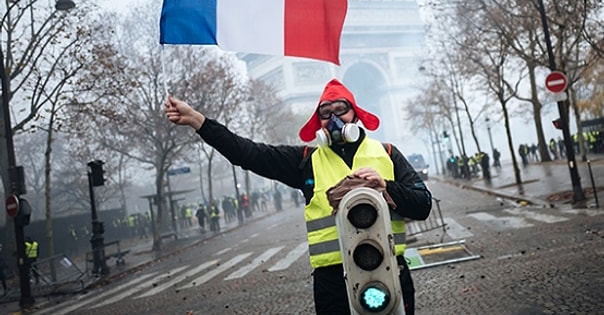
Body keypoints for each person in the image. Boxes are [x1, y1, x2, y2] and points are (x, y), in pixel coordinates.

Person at [165, 78, 432, 314]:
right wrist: (198, 121)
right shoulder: (305, 161)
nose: (334, 118)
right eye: (325, 113)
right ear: (318, 122)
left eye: (341, 109)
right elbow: (246, 153)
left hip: (388, 269)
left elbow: (423, 205)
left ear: (356, 114)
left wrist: (386, 187)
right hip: (333, 281)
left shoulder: (387, 153)